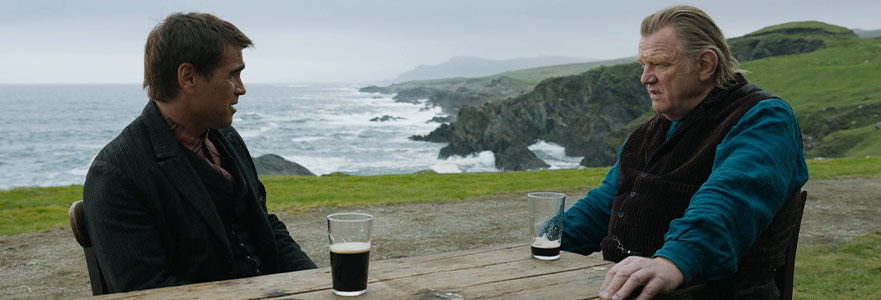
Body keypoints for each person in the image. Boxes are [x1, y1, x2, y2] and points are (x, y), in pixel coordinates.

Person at [561, 5, 808, 300]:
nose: (645, 78)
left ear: (705, 64)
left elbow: (730, 199)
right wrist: (547, 239)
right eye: (643, 64)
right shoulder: (647, 132)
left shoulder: (764, 119)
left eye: (660, 64)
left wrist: (673, 262)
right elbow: (603, 206)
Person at [83, 12, 316, 293]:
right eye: (232, 74)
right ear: (188, 77)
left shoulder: (227, 139)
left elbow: (265, 226)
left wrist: (318, 284)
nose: (241, 89)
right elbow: (147, 290)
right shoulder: (116, 175)